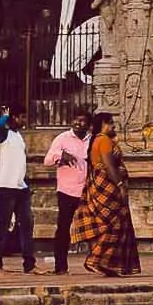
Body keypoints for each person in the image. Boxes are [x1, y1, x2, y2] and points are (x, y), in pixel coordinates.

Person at [74, 112, 140, 277]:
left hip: (103, 185)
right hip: (107, 186)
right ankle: (97, 259)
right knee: (115, 223)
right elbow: (109, 166)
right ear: (103, 124)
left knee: (109, 224)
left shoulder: (100, 140)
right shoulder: (103, 140)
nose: (114, 127)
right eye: (111, 123)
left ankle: (107, 263)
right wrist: (120, 185)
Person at [42, 111, 91, 275]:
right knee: (63, 228)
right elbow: (47, 160)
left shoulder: (92, 140)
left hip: (87, 190)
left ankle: (98, 262)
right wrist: (61, 155)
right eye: (76, 119)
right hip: (67, 190)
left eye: (82, 120)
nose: (78, 123)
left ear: (88, 125)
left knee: (96, 226)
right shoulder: (62, 138)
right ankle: (60, 266)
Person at [0, 112, 34, 274]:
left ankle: (29, 263)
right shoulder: (3, 135)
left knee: (27, 224)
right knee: (3, 225)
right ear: (15, 117)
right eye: (22, 116)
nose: (24, 119)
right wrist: (7, 115)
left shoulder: (18, 136)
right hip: (5, 186)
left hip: (20, 186)